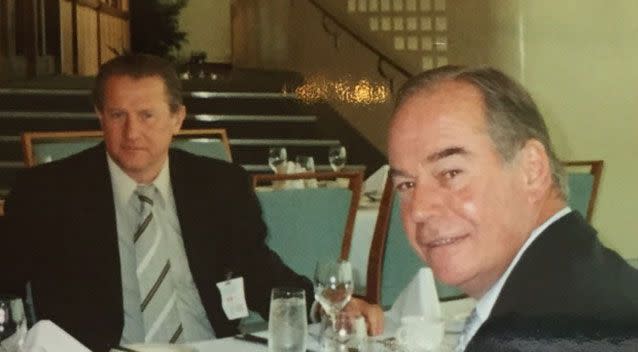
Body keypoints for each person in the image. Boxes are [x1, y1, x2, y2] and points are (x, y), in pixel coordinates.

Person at [2, 54, 382, 351]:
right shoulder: (47, 193)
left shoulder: (219, 185)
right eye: (118, 115)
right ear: (99, 116)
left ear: (177, 119)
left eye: (147, 116)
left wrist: (326, 308)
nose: (132, 132)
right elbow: (6, 285)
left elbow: (260, 272)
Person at [387, 66, 638, 351]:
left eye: (450, 173)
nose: (419, 209)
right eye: (406, 185)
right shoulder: (586, 282)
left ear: (531, 170)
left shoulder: (531, 334)